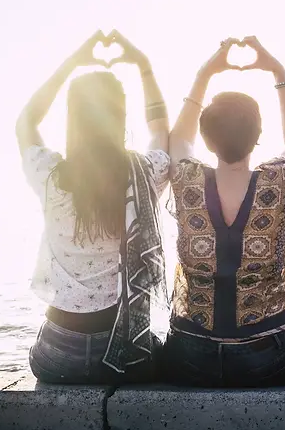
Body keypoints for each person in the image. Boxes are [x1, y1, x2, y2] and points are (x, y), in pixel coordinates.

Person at [162, 36, 285, 387]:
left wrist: (205, 74)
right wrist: (277, 70)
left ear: (206, 137)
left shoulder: (186, 179)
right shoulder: (278, 182)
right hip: (268, 358)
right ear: (259, 134)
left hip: (191, 357)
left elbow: (178, 138)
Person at [16, 30, 170, 384]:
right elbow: (161, 130)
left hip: (58, 354)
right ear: (120, 118)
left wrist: (71, 64)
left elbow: (26, 122)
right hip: (124, 353)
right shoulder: (143, 175)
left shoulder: (50, 175)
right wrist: (143, 66)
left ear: (72, 117)